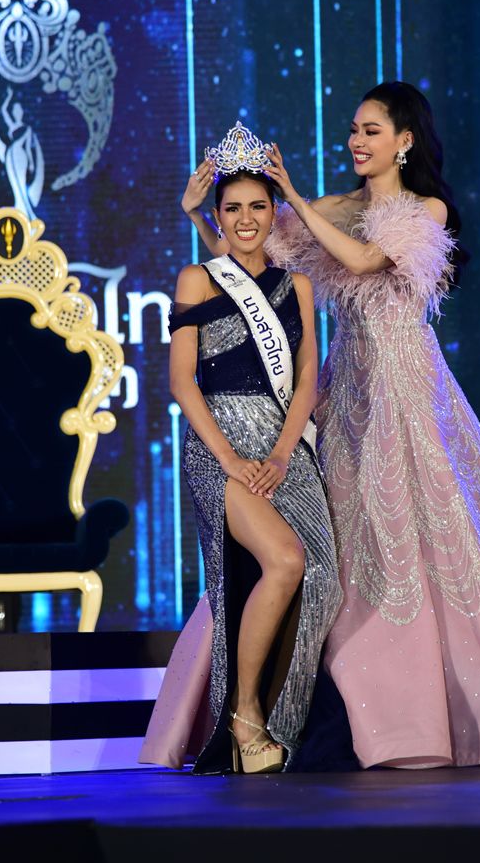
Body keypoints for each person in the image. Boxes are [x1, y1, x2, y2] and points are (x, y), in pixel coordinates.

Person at [183, 83, 480, 769]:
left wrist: (297, 199)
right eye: (353, 129)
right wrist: (199, 213)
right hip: (343, 386)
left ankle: (452, 705)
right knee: (339, 531)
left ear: (404, 140)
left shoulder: (424, 210)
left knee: (431, 529)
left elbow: (366, 260)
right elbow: (247, 271)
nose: (355, 141)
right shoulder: (337, 207)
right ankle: (297, 698)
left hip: (404, 384)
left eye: (371, 130)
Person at [140, 122, 342, 774]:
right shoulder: (196, 279)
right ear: (219, 215)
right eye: (232, 209)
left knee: (323, 576)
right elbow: (182, 382)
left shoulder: (297, 285)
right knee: (283, 560)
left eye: (259, 206)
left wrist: (281, 456)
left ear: (275, 212)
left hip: (284, 447)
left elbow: (306, 379)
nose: (247, 219)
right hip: (219, 449)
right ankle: (246, 717)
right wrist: (230, 461)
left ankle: (289, 720)